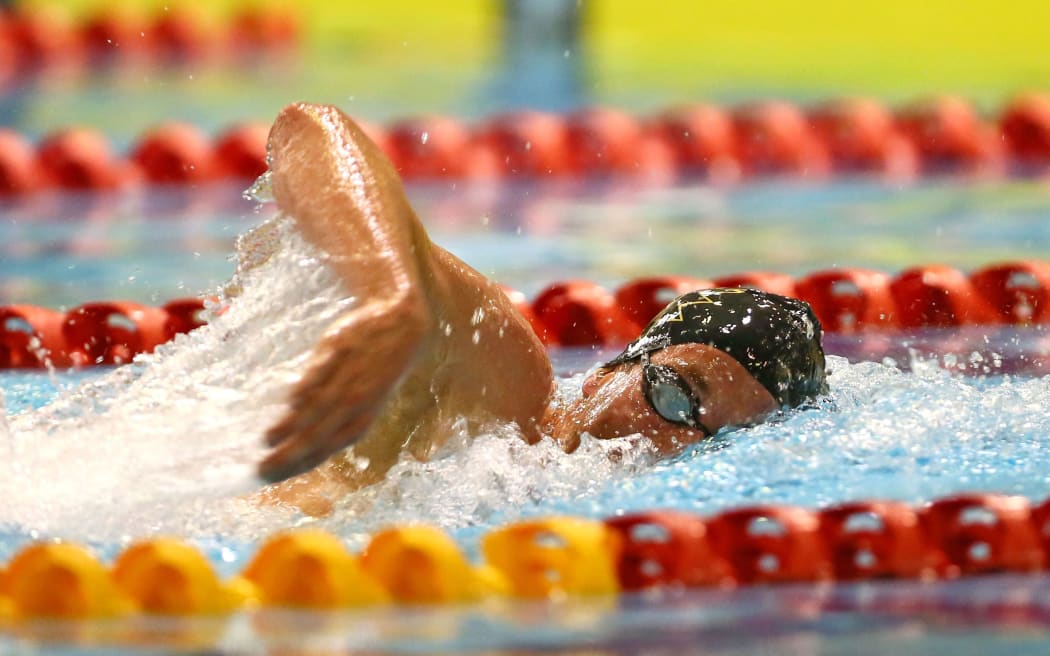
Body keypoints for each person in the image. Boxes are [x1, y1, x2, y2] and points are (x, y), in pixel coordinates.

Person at [257, 103, 827, 510]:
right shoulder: (507, 383)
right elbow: (310, 130)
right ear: (612, 369)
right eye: (675, 394)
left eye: (719, 441)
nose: (676, 442)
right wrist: (393, 295)